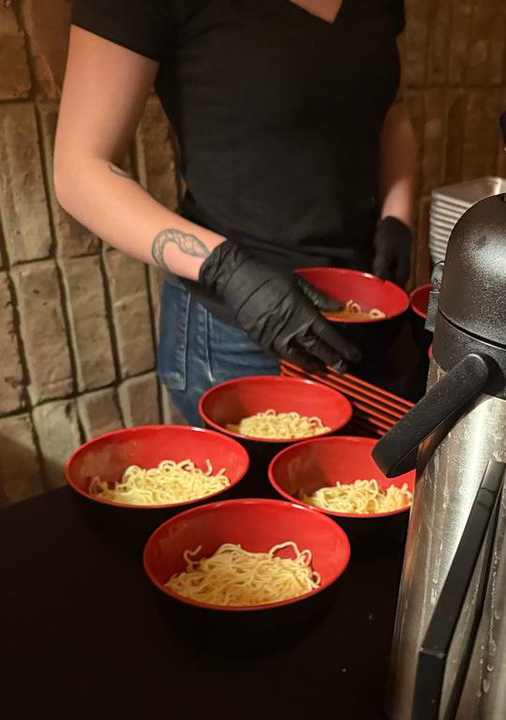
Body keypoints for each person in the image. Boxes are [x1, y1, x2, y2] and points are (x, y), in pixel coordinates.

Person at [54, 0, 418, 424]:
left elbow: (391, 111)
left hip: (364, 310)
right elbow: (79, 170)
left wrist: (399, 215)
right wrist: (228, 272)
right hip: (237, 329)